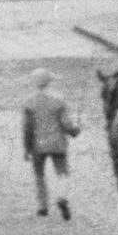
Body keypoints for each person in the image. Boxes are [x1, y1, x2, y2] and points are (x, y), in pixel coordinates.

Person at [22, 67, 79, 219]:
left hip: (37, 144)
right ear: (49, 82)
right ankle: (62, 198)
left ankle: (43, 207)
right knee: (62, 173)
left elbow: (27, 128)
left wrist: (27, 148)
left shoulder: (29, 102)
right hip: (57, 142)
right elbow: (67, 124)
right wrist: (74, 130)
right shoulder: (59, 100)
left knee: (39, 175)